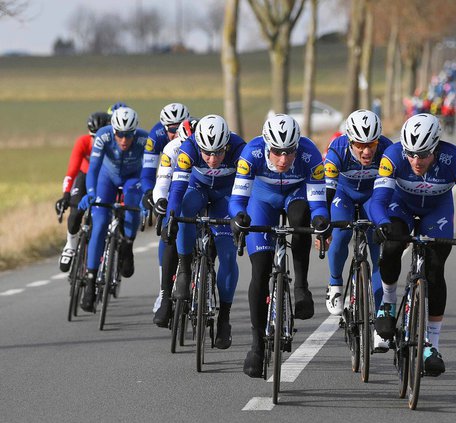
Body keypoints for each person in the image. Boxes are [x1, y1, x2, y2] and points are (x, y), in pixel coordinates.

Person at [370, 113, 456, 376]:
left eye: (423, 155)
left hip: (437, 211)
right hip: (402, 206)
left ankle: (432, 345)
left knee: (434, 271)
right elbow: (378, 200)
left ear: (436, 147)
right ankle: (387, 301)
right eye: (411, 154)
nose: (415, 161)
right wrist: (382, 222)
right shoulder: (394, 155)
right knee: (392, 246)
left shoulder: (455, 159)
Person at [229, 114, 330, 378]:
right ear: (266, 147)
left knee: (301, 219)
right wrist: (238, 217)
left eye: (289, 152)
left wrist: (321, 218)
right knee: (260, 270)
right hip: (263, 200)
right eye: (276, 152)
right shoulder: (250, 154)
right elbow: (238, 198)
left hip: (295, 195)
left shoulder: (310, 154)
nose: (283, 159)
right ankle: (256, 345)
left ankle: (301, 287)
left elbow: (318, 202)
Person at [161, 115, 246, 346]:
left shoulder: (240, 149)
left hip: (225, 198)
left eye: (218, 152)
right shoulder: (188, 149)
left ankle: (224, 318)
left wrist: (242, 219)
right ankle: (185, 269)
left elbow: (248, 190)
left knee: (228, 254)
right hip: (196, 190)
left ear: (227, 144)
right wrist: (171, 219)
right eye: (206, 153)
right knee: (185, 209)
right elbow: (177, 191)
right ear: (198, 145)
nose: (212, 159)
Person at [323, 109, 393, 351]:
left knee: (378, 253)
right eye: (360, 145)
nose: (366, 151)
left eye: (371, 144)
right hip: (343, 194)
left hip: (372, 197)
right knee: (341, 234)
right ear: (350, 141)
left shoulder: (387, 150)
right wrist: (324, 227)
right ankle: (335, 285)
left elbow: (396, 191)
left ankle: (379, 326)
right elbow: (327, 193)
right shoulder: (336, 151)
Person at [77, 107, 149, 313]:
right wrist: (90, 192)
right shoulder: (103, 135)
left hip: (133, 178)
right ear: (113, 130)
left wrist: (147, 197)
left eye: (128, 135)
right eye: (120, 134)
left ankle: (127, 245)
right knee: (99, 224)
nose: (124, 140)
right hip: (106, 179)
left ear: (135, 132)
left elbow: (149, 172)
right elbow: (93, 168)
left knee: (133, 209)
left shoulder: (144, 140)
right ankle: (90, 282)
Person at [151, 117, 198, 327]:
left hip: (203, 193)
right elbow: (163, 182)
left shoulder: (207, 150)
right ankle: (165, 295)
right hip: (178, 192)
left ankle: (206, 278)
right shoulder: (172, 148)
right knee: (169, 233)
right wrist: (161, 201)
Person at [55, 111, 111, 272]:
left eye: (99, 136)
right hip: (84, 177)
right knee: (75, 213)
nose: (95, 141)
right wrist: (66, 194)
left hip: (103, 178)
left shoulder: (112, 144)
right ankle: (70, 245)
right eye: (93, 136)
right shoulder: (83, 142)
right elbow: (71, 171)